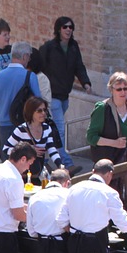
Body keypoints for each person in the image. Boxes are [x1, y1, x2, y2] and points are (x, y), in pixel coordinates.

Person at [37, 17, 91, 165]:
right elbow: (38, 67)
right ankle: (66, 163)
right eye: (65, 27)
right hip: (52, 96)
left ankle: (45, 158)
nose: (68, 30)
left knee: (51, 129)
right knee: (59, 129)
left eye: (70, 27)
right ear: (58, 29)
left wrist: (85, 83)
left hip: (64, 95)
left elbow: (79, 66)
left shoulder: (74, 47)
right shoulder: (49, 47)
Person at [61, 159, 127, 253]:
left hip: (74, 241)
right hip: (95, 243)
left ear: (93, 171)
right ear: (110, 174)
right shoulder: (109, 193)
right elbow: (123, 223)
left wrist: (74, 231)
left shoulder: (74, 188)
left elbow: (61, 219)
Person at [0, 42, 41, 149]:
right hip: (24, 125)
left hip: (3, 125)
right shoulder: (30, 76)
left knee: (7, 160)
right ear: (25, 56)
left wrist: (2, 105)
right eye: (29, 56)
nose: (29, 60)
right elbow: (38, 104)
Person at [2, 97, 67, 176]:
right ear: (31, 112)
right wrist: (29, 151)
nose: (43, 113)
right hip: (22, 174)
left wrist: (60, 165)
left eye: (44, 110)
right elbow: (6, 149)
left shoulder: (47, 128)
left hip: (38, 173)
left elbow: (52, 149)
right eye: (39, 111)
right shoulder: (21, 130)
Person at [87, 71, 127, 165]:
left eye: (125, 88)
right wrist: (114, 143)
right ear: (111, 90)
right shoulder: (102, 109)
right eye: (119, 89)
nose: (123, 92)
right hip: (108, 166)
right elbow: (91, 137)